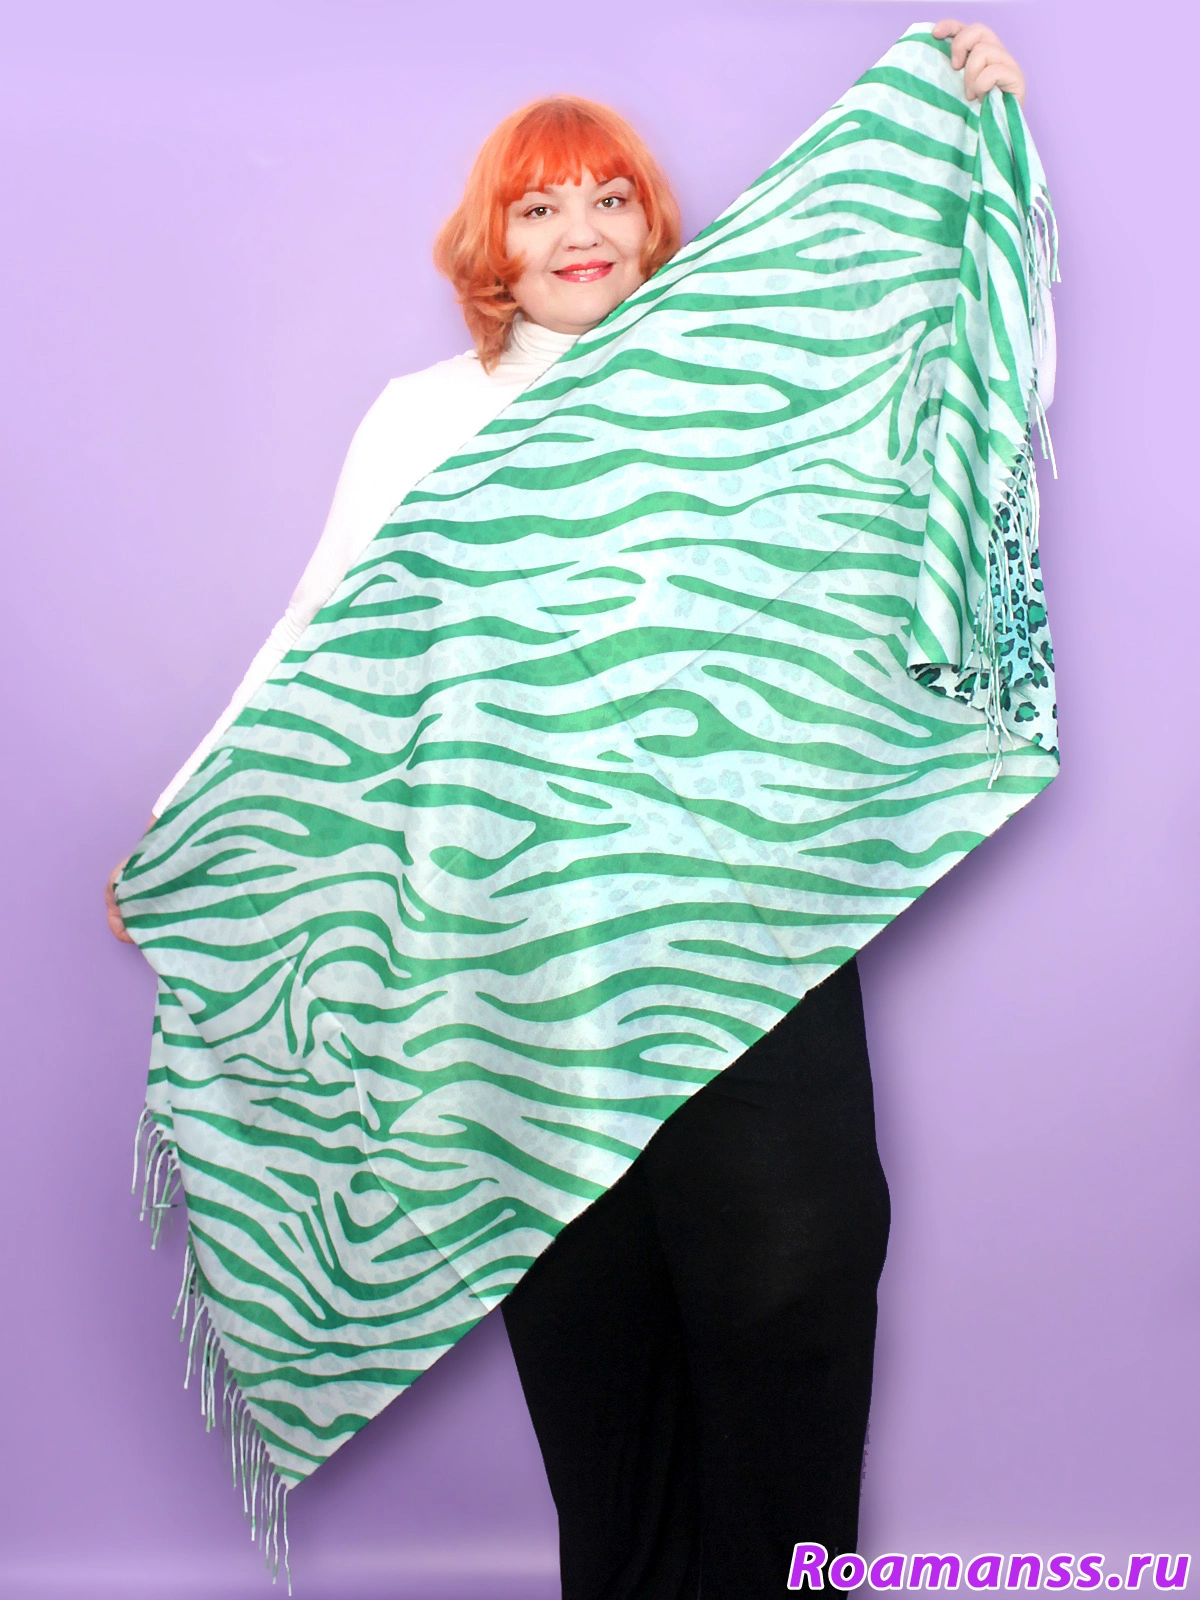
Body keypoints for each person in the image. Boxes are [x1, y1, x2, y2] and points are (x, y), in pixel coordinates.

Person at [106, 21, 1034, 1596]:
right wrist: (184, 828)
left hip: (749, 918)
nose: (580, 232)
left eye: (610, 198)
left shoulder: (740, 388)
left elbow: (933, 388)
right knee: (595, 1322)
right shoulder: (426, 419)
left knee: (793, 1279)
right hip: (524, 947)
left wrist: (962, 140)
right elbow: (318, 648)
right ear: (494, 243)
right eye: (539, 207)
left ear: (653, 225)